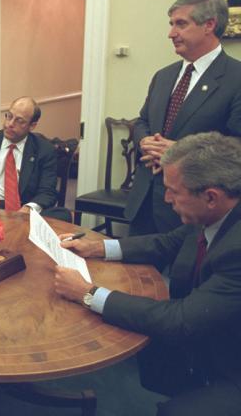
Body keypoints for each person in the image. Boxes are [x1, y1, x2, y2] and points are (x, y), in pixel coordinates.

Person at [54, 132, 241, 416]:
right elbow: (165, 243)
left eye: (174, 191)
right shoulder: (214, 214)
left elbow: (180, 319)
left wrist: (87, 294)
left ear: (211, 197)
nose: (166, 198)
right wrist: (96, 247)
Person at [125, 0, 241, 235]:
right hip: (144, 201)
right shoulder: (163, 76)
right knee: (136, 272)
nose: (171, 33)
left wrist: (181, 154)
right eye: (171, 24)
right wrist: (144, 141)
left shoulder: (235, 78)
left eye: (181, 24)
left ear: (209, 25)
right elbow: (143, 121)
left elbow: (236, 148)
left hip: (195, 215)